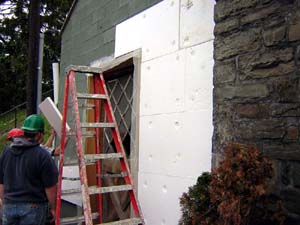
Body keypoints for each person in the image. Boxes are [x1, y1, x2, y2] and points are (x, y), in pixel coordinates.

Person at [0, 114, 58, 225]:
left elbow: (1, 183)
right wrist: (53, 208)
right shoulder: (42, 155)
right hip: (33, 206)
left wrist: (5, 202)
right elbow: (50, 187)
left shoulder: (6, 152)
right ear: (39, 135)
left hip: (9, 205)